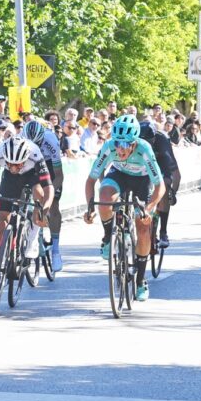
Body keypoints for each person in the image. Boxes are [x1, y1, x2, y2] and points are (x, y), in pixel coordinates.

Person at [84, 115, 166, 301]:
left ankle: (140, 281)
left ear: (135, 142)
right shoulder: (109, 147)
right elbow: (90, 181)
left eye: (126, 144)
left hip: (142, 180)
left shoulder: (145, 150)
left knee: (143, 226)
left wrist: (150, 208)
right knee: (105, 199)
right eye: (117, 142)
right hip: (119, 174)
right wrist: (90, 208)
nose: (120, 148)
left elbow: (160, 186)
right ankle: (107, 238)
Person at [0, 137, 53, 264]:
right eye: (10, 163)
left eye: (18, 164)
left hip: (32, 174)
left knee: (39, 194)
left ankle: (33, 237)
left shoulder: (35, 154)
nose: (14, 168)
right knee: (2, 219)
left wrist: (44, 211)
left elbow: (48, 188)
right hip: (9, 179)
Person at [22, 120, 65, 271]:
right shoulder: (19, 138)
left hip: (48, 166)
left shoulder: (51, 140)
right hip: (29, 163)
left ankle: (55, 250)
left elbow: (59, 176)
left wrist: (49, 194)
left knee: (53, 205)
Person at [139, 121, 181, 247]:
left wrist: (172, 193)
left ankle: (163, 231)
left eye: (149, 142)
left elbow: (176, 174)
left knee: (165, 185)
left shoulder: (162, 142)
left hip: (161, 162)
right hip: (143, 163)